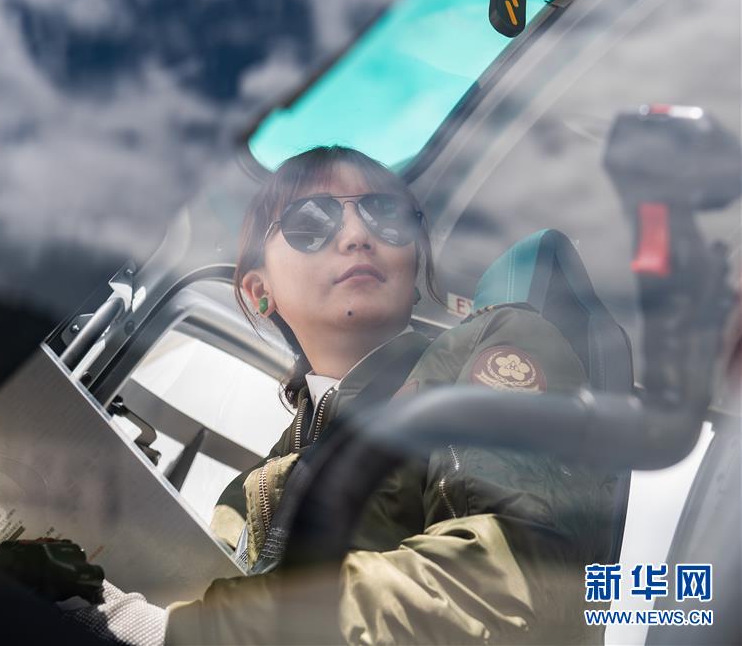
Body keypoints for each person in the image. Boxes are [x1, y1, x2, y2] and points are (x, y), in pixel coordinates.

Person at [64, 146, 620, 645]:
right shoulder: (249, 492)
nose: (357, 235)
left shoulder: (495, 347)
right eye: (311, 222)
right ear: (259, 291)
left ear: (414, 264)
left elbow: (512, 578)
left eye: (386, 215)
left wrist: (184, 632)